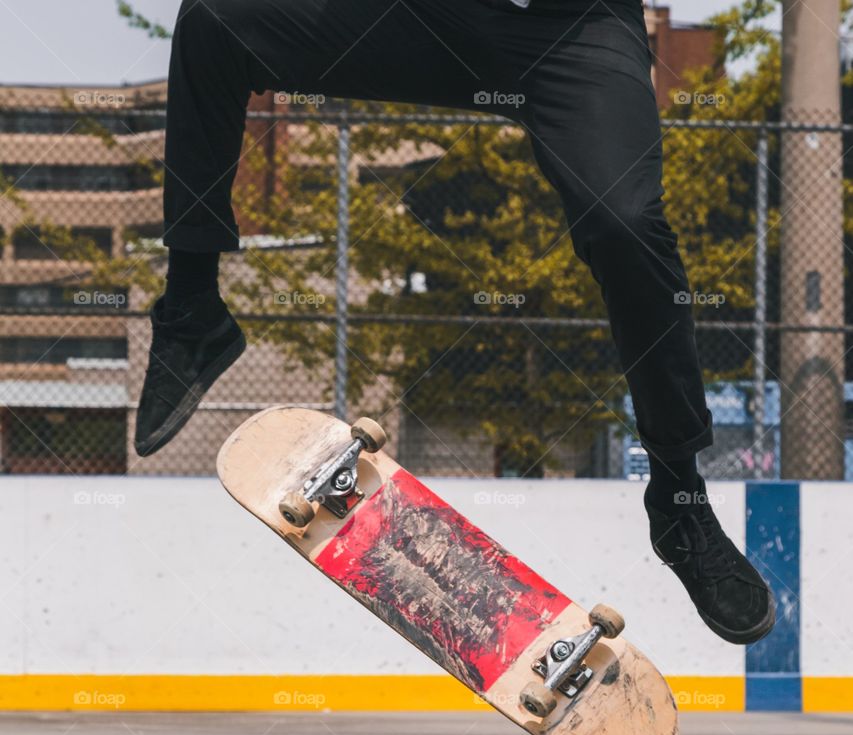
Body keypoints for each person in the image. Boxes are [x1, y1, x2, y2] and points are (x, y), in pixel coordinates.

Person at [137, 0, 775, 645]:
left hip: (577, 31)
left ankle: (678, 499)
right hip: (440, 19)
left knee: (626, 226)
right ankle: (193, 308)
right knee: (213, 20)